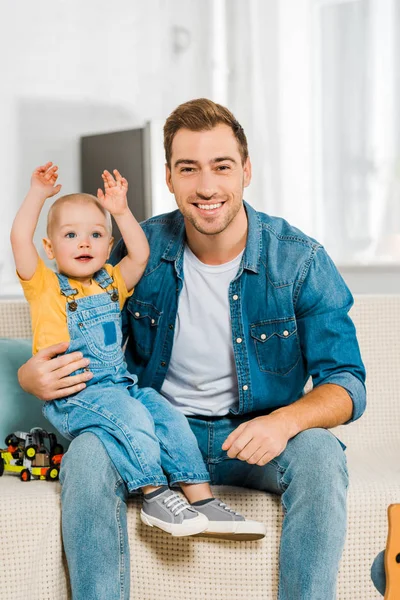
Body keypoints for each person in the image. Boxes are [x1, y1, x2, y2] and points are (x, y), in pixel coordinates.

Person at [18, 98, 366, 600]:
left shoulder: (299, 260)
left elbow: (347, 383)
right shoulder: (137, 248)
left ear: (246, 170)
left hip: (254, 437)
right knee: (88, 454)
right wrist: (31, 377)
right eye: (189, 169)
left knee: (321, 454)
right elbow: (65, 313)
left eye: (222, 166)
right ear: (169, 177)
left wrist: (285, 421)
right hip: (155, 431)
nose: (206, 187)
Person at [11, 162, 266, 540]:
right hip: (75, 396)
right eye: (70, 235)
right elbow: (18, 238)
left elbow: (140, 254)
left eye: (96, 234)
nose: (85, 243)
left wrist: (120, 211)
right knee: (133, 417)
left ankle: (202, 501)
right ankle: (154, 494)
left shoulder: (111, 282)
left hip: (120, 386)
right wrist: (36, 193)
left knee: (166, 415)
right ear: (49, 247)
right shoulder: (45, 286)